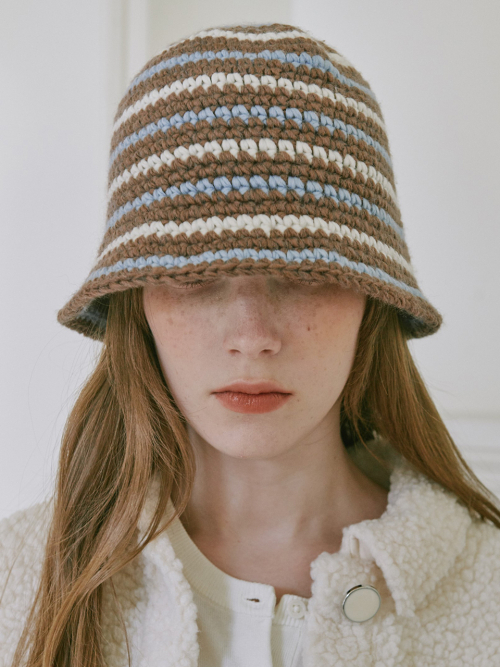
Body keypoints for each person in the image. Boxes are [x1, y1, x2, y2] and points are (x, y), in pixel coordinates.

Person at [1, 21, 499, 667]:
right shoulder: (19, 581)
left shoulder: (486, 584)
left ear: (370, 299)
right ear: (137, 302)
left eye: (306, 275)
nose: (252, 337)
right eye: (196, 276)